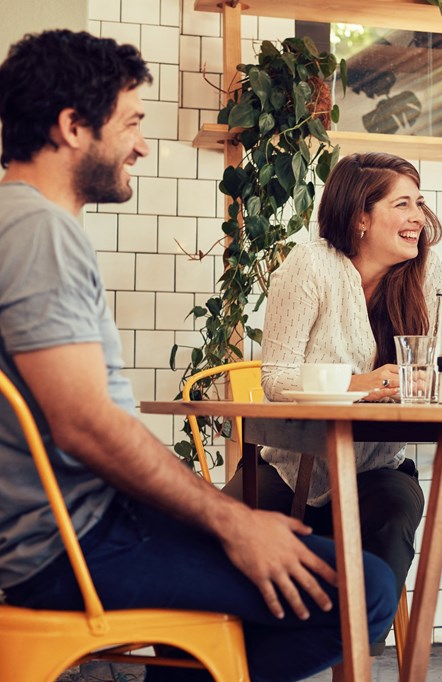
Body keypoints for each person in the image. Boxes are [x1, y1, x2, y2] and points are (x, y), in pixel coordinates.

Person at [0, 30, 396, 682]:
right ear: (72, 126)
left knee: (299, 573)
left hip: (68, 530)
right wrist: (233, 522)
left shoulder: (17, 221)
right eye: (130, 122)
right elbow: (85, 423)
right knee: (365, 589)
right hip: (77, 543)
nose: (142, 144)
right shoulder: (41, 232)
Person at [222, 151, 442, 653]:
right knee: (214, 535)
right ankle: (232, 657)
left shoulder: (426, 279)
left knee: (395, 515)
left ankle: (350, 650)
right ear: (360, 216)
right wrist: (367, 382)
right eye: (404, 203)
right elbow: (277, 379)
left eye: (421, 203)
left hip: (377, 467)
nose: (419, 218)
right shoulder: (311, 265)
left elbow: (437, 376)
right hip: (289, 465)